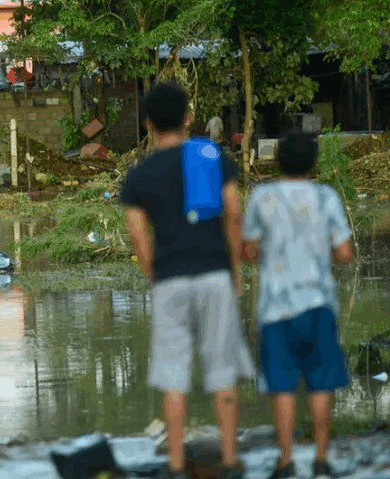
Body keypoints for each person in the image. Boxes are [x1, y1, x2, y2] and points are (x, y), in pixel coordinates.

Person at [120, 82, 256, 479]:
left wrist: (155, 275)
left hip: (170, 281)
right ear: (187, 118)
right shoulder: (211, 157)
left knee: (173, 378)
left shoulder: (139, 174)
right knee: (223, 372)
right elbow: (233, 213)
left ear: (148, 123)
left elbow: (138, 235)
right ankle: (229, 460)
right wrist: (235, 269)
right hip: (214, 275)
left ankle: (177, 466)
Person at [241, 130, 354, 479]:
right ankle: (320, 458)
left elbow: (248, 250)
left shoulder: (262, 197)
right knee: (321, 382)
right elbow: (344, 252)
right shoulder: (326, 197)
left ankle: (286, 461)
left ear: (277, 161)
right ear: (313, 163)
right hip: (318, 303)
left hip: (276, 307)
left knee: (281, 385)